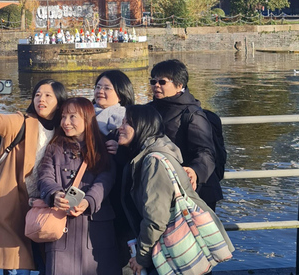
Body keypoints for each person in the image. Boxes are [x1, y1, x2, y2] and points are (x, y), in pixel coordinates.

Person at [117, 104, 234, 275]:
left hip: (169, 248)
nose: (120, 128)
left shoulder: (153, 161)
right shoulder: (157, 151)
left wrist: (141, 258)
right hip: (174, 244)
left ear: (142, 126)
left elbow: (155, 219)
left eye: (126, 123)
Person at [0, 77, 67, 274]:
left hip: (44, 204)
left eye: (49, 95)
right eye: (38, 95)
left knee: (43, 261)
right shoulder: (21, 122)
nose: (42, 99)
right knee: (18, 265)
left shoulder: (63, 130)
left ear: (59, 102)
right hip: (14, 201)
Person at [36, 97, 122, 275]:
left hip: (96, 226)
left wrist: (89, 200)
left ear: (87, 118)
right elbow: (45, 175)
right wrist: (54, 194)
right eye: (63, 117)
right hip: (61, 225)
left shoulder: (103, 146)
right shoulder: (55, 147)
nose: (66, 122)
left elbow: (106, 179)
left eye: (72, 117)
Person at [148, 59, 222, 211]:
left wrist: (195, 171)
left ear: (179, 85)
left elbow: (206, 152)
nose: (156, 85)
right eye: (153, 81)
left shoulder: (193, 114)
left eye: (162, 82)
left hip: (194, 191)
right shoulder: (148, 110)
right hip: (160, 187)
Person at [92, 69, 136, 266]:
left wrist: (121, 147)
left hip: (119, 193)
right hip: (91, 187)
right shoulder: (83, 114)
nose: (100, 91)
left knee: (121, 247)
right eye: (98, 86)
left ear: (121, 92)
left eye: (107, 88)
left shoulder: (128, 119)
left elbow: (138, 152)